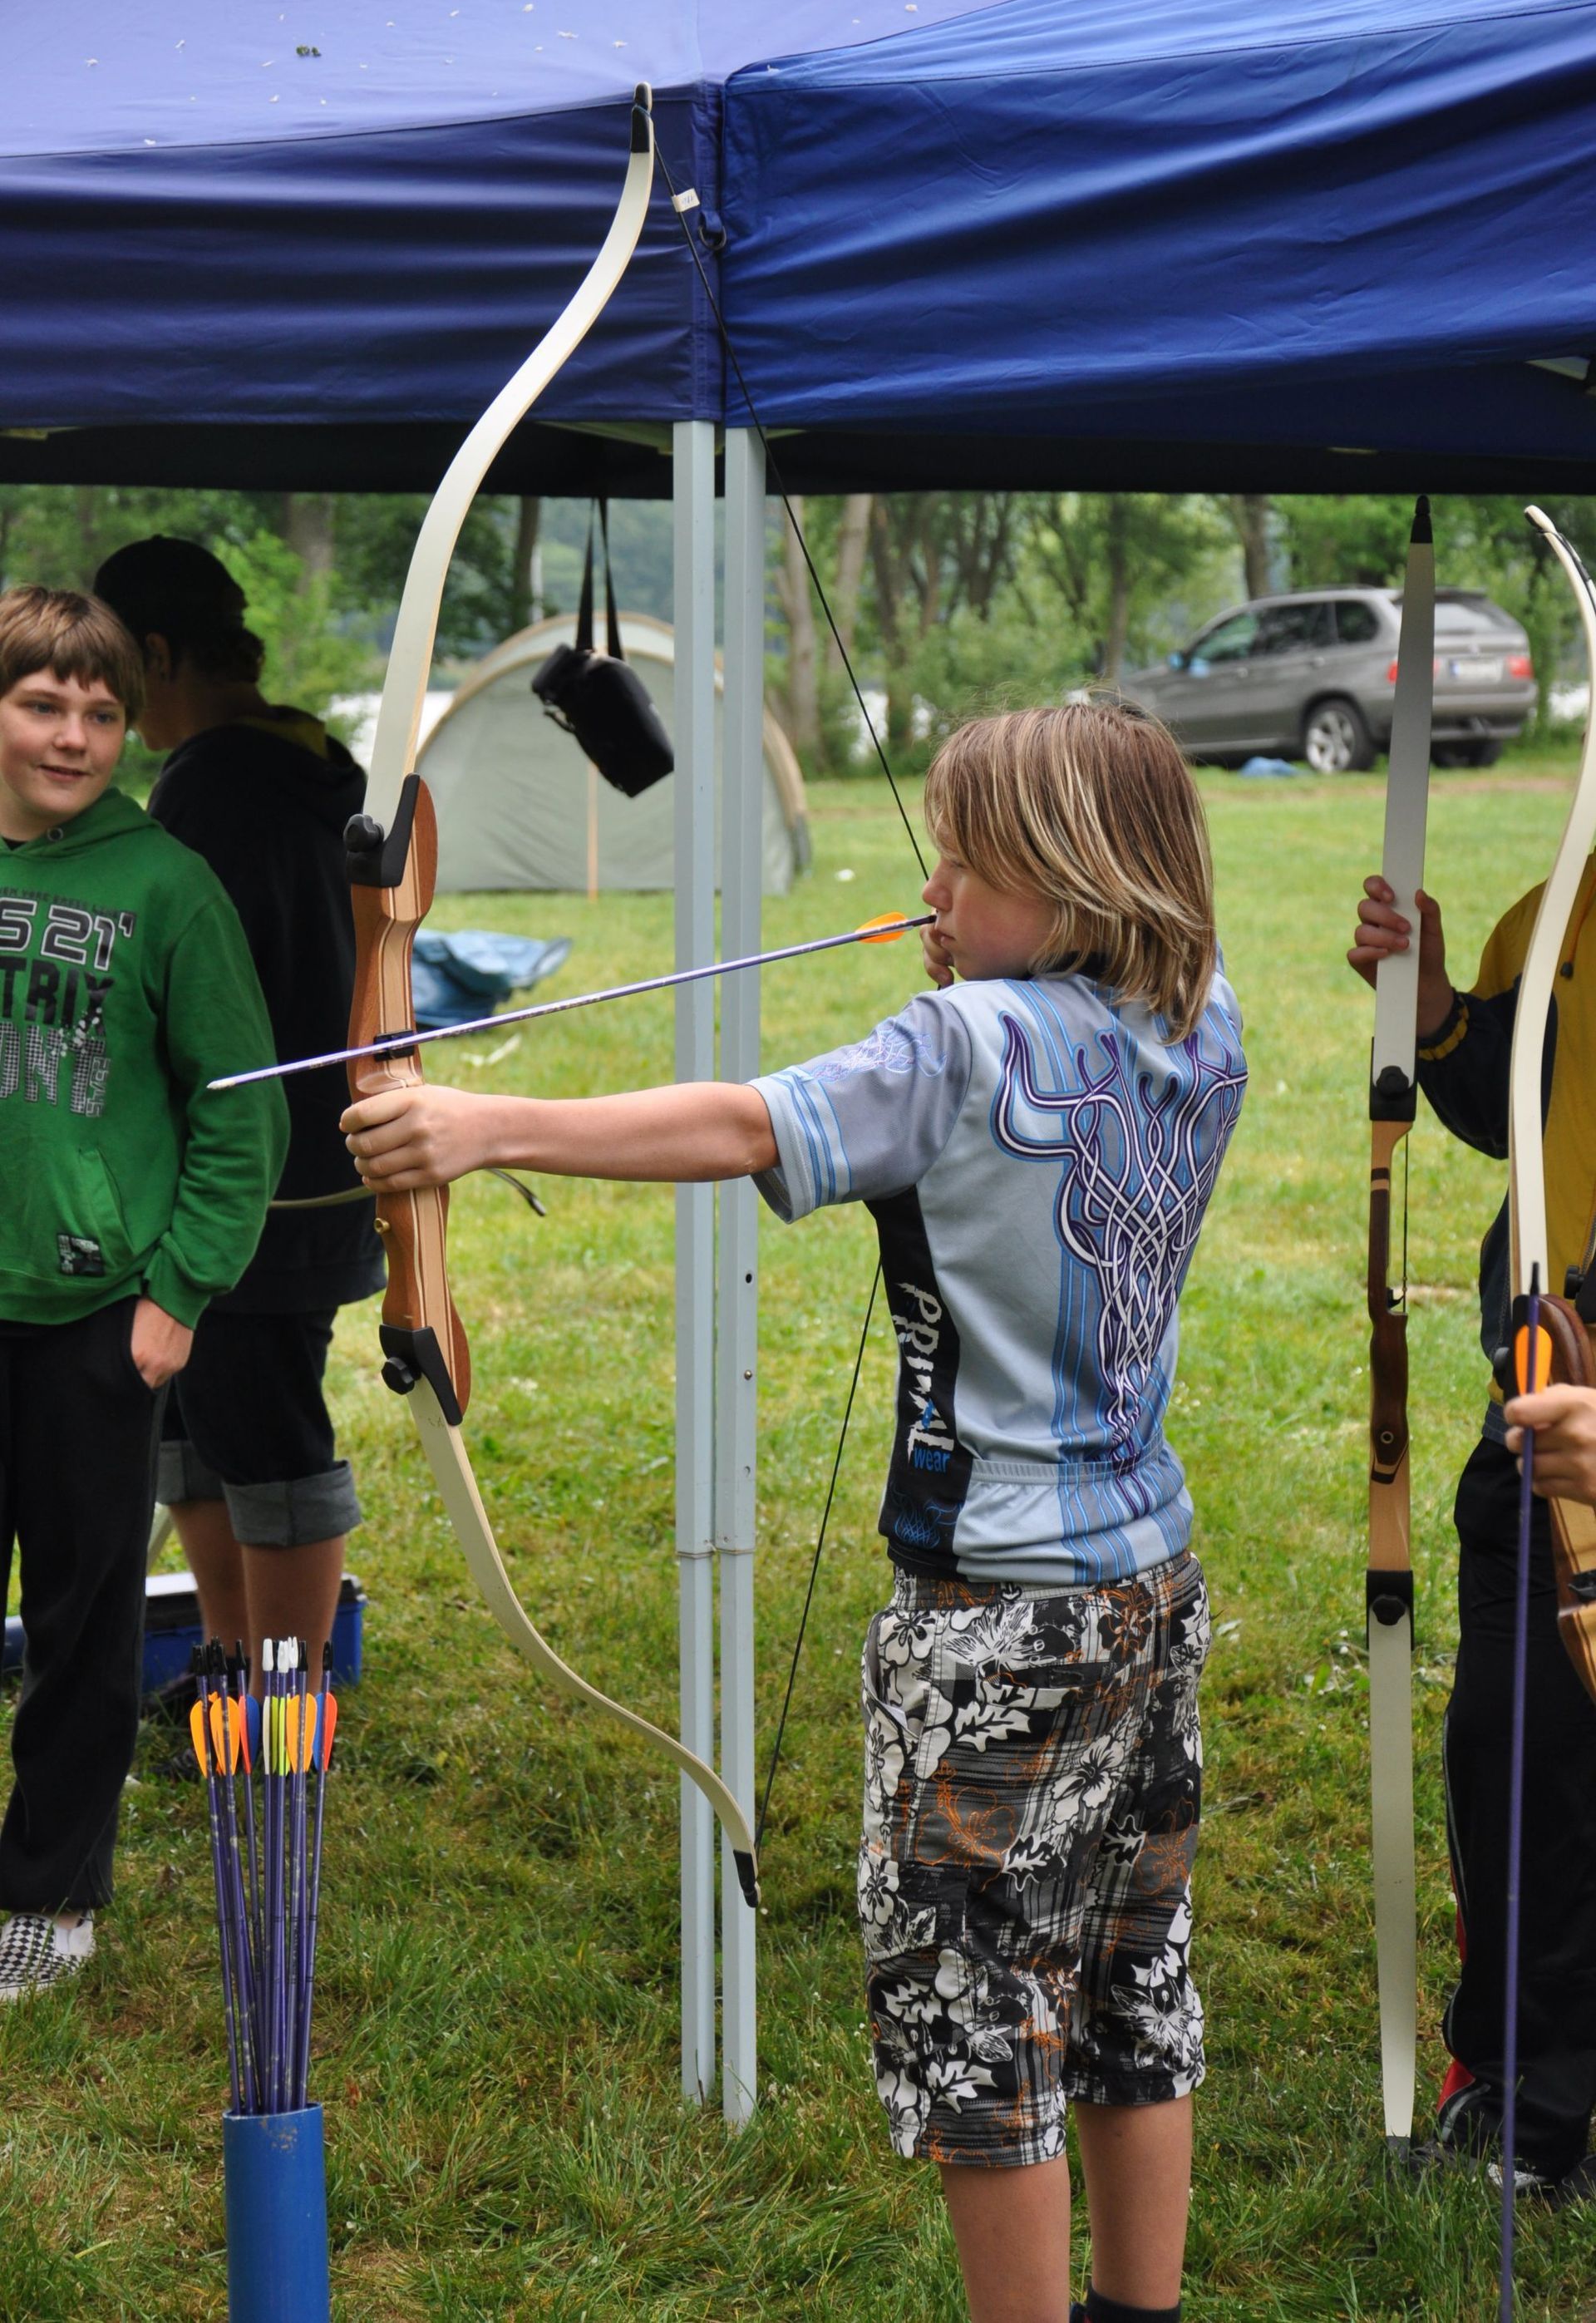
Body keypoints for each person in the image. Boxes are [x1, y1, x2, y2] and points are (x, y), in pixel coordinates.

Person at [341, 703, 1247, 2323]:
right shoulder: (1206, 1017)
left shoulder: (963, 1046)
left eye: (974, 860)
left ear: (1078, 875)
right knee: (1130, 1976)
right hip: (1149, 1587)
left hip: (992, 1617)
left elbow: (750, 1120)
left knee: (987, 2018)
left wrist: (482, 1125)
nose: (935, 882)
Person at [0, 585, 285, 1999]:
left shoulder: (165, 885)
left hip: (93, 1315)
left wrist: (176, 1294)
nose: (75, 735)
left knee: (82, 1616)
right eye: (43, 704)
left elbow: (243, 1111)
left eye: (103, 713)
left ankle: (49, 1895)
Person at [94, 539, 383, 1691]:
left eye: (116, 673)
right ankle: (229, 1658)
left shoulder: (217, 781)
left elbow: (180, 983)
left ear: (159, 653)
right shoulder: (303, 758)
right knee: (194, 1420)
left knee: (262, 1427)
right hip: (301, 1153)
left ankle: (286, 1692)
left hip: (260, 1171)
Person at [1351, 869, 1596, 2194]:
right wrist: (1439, 1002)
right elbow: (1514, 1105)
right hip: (1544, 1401)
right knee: (1511, 1745)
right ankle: (1518, 2088)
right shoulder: (1559, 908)